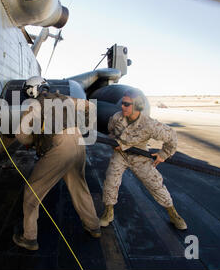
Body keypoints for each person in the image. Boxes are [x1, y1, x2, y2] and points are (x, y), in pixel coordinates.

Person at [12, 76, 101, 251]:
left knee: (32, 193)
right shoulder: (64, 98)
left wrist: (32, 141)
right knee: (79, 187)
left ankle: (29, 238)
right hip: (78, 143)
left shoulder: (35, 105)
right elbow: (91, 106)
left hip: (60, 148)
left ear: (32, 90)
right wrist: (84, 129)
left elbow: (20, 135)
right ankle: (94, 226)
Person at [100, 89, 187, 230]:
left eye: (127, 104)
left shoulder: (150, 124)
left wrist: (163, 154)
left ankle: (173, 213)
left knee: (155, 184)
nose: (122, 106)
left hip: (139, 156)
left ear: (138, 106)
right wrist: (114, 142)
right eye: (122, 103)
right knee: (110, 181)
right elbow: (111, 131)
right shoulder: (117, 117)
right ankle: (108, 212)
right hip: (120, 155)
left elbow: (171, 136)